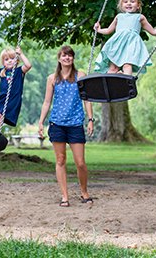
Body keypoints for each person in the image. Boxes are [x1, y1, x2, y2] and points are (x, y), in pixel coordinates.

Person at [38, 46, 95, 207]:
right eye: (64, 55)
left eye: (70, 55)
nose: (67, 58)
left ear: (73, 58)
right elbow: (47, 102)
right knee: (60, 160)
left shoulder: (80, 75)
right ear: (59, 58)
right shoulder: (52, 78)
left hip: (75, 124)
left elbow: (87, 99)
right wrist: (41, 122)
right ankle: (65, 196)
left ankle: (84, 192)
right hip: (57, 124)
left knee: (80, 162)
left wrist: (90, 119)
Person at [94, 0, 156, 75]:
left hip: (131, 45)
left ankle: (127, 82)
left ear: (138, 5)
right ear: (121, 5)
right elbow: (108, 30)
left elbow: (153, 31)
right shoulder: (119, 17)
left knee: (127, 65)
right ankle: (112, 82)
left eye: (132, 1)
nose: (129, 3)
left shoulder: (140, 17)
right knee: (113, 68)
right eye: (125, 2)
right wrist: (99, 29)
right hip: (117, 45)